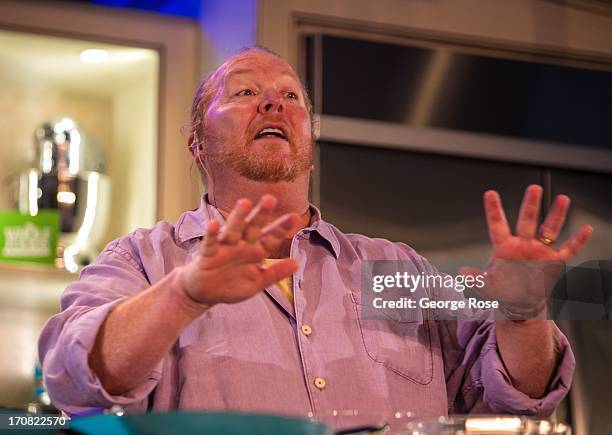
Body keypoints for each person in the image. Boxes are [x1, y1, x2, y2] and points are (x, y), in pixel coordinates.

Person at [38, 46, 593, 426]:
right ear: (196, 144)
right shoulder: (143, 261)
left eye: (291, 96)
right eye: (244, 92)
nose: (274, 103)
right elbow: (74, 378)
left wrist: (524, 314)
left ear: (307, 133)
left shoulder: (396, 272)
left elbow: (514, 399)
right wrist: (184, 295)